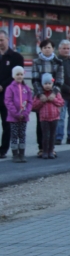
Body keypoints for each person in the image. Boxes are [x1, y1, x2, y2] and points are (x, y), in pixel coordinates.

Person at [32, 39, 64, 157]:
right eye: (44, 47)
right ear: (41, 49)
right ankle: (42, 148)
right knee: (41, 124)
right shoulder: (36, 61)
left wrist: (54, 93)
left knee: (53, 125)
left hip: (53, 95)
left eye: (49, 47)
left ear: (53, 49)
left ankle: (51, 149)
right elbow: (35, 80)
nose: (47, 49)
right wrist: (40, 94)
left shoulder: (58, 62)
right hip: (41, 96)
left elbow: (60, 79)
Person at [0, 29, 25, 159]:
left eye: (1, 40)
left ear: (8, 40)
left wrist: (2, 86)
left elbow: (16, 76)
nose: (0, 43)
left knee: (6, 124)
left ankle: (3, 149)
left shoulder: (16, 57)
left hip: (8, 96)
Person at [3, 66, 32, 163]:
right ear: (13, 76)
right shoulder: (10, 88)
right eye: (17, 74)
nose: (19, 76)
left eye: (21, 74)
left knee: (22, 135)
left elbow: (30, 102)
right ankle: (15, 154)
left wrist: (26, 112)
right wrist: (15, 113)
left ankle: (22, 153)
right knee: (14, 135)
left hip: (24, 117)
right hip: (13, 117)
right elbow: (8, 101)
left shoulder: (26, 88)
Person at [32, 74, 65, 159]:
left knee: (52, 135)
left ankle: (51, 151)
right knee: (45, 135)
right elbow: (34, 105)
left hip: (54, 117)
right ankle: (45, 151)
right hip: (44, 118)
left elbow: (61, 102)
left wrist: (53, 99)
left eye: (49, 83)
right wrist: (41, 101)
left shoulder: (56, 93)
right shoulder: (39, 94)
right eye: (45, 83)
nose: (47, 85)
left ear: (52, 84)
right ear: (42, 84)